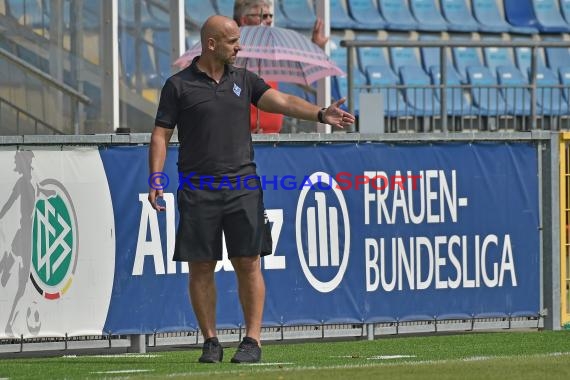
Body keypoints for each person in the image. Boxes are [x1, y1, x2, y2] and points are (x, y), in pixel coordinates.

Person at [148, 15, 354, 364]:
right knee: (201, 267)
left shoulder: (244, 79)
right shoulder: (177, 86)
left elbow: (284, 102)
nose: (239, 47)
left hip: (243, 187)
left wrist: (321, 114)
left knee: (249, 262)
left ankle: (252, 340)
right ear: (211, 44)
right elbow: (160, 134)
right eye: (232, 41)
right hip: (197, 189)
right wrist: (155, 178)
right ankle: (210, 341)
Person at [233, 0, 329, 133]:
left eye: (270, 16)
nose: (269, 21)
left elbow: (294, 72)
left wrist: (314, 47)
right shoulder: (232, 54)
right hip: (241, 139)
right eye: (263, 16)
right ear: (244, 20)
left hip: (272, 139)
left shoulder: (270, 50)